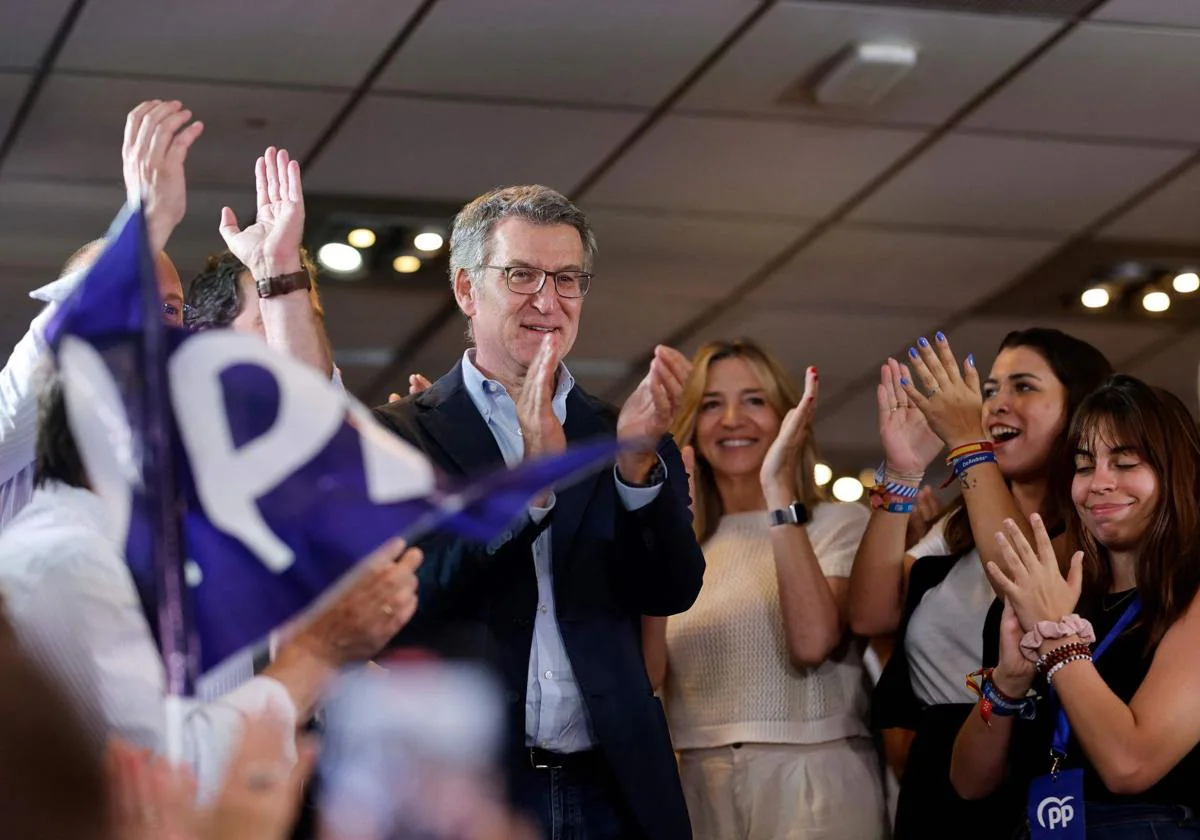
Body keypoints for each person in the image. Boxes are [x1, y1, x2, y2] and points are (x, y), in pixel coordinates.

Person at [373, 184, 705, 840]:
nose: (547, 302)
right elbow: (407, 598)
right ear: (468, 290)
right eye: (521, 275)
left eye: (567, 279)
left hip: (614, 789)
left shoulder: (623, 431)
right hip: (472, 792)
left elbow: (671, 587)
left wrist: (637, 469)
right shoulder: (397, 435)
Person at [848, 328, 1112, 840]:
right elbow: (869, 615)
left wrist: (969, 444)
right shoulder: (958, 527)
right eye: (989, 391)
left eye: (1024, 387)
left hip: (1027, 770)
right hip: (936, 776)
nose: (995, 406)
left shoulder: (1090, 526)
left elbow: (1019, 578)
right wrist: (902, 474)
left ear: (1079, 409)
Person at [644, 338, 886, 840]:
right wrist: (662, 536)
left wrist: (779, 492)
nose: (732, 418)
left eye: (754, 400)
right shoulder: (686, 545)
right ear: (691, 423)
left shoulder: (836, 523)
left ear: (787, 417)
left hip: (814, 777)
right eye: (711, 403)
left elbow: (813, 644)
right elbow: (649, 673)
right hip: (695, 779)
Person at [951, 376, 1200, 838]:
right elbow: (968, 782)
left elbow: (1130, 765)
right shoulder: (1055, 594)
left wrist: (1058, 641)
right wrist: (1006, 685)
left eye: (1125, 462)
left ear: (1176, 473)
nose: (1100, 483)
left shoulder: (1190, 597)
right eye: (1084, 467)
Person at [0, 100, 199, 531]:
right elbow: (34, 383)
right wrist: (146, 224)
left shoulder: (193, 449)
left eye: (170, 308)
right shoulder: (16, 435)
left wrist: (281, 284)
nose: (156, 322)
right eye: (132, 300)